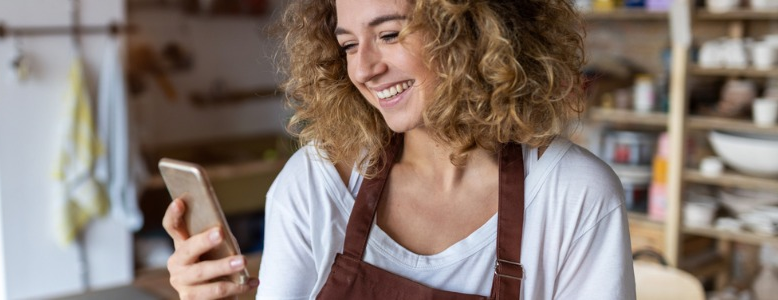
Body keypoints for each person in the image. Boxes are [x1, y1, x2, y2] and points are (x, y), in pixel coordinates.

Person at [161, 0, 637, 299]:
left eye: (389, 35)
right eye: (348, 45)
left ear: (475, 31)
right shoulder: (316, 183)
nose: (364, 68)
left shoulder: (575, 196)